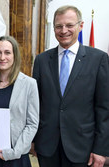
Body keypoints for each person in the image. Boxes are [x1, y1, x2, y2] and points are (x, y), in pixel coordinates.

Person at [32, 5, 109, 167]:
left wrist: (101, 149)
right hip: (47, 147)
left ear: (80, 26)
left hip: (82, 148)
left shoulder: (98, 59)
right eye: (59, 26)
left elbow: (104, 108)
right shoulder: (42, 60)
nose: (64, 30)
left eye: (69, 25)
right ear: (53, 28)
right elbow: (35, 104)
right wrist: (33, 140)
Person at [0, 35, 39, 167]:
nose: (2, 57)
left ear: (15, 56)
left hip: (17, 157)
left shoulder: (29, 84)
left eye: (7, 52)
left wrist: (14, 152)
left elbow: (32, 124)